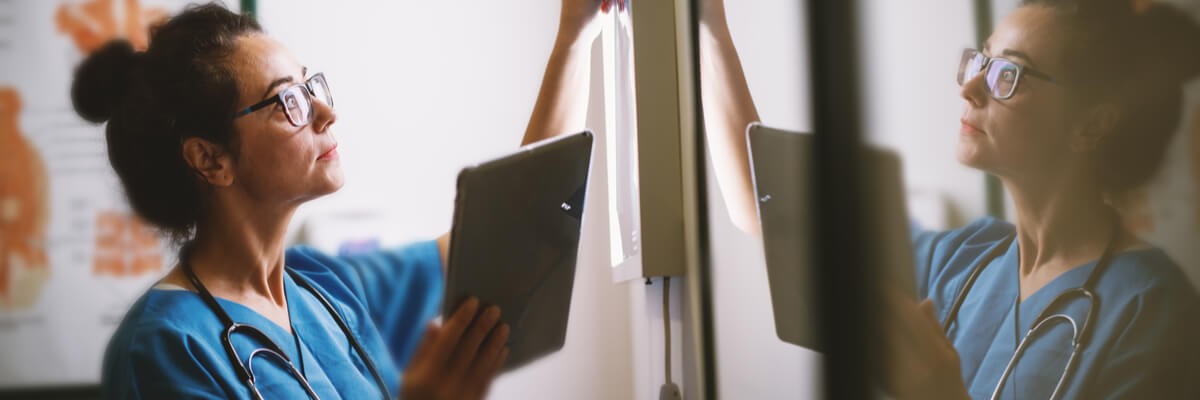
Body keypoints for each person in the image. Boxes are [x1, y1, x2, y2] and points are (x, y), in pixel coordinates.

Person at [71, 1, 608, 398]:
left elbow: (509, 236)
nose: (326, 114)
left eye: (311, 87)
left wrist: (575, 35)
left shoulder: (324, 289)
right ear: (210, 159)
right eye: (287, 101)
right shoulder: (163, 350)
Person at [699, 0, 1200, 398]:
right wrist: (710, 25)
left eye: (1010, 73)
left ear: (1090, 124)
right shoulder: (965, 259)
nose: (971, 86)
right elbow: (765, 209)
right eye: (981, 60)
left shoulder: (1150, 308)